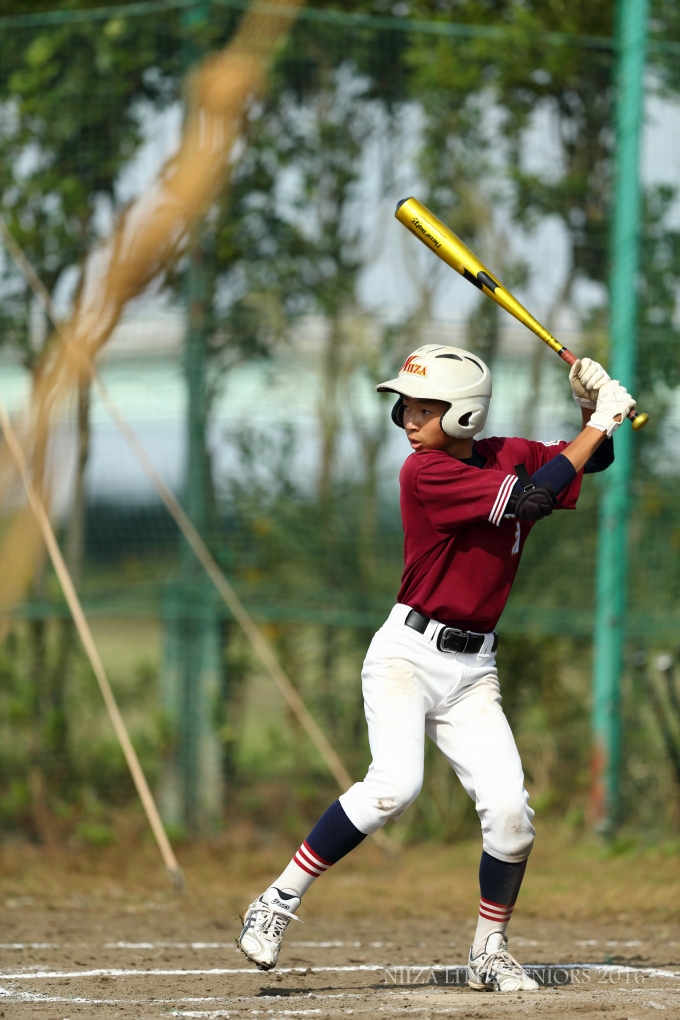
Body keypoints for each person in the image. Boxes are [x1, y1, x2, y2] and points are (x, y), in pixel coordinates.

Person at [236, 344, 635, 992]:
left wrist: (591, 412)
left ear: (465, 415)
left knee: (511, 816)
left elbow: (590, 461)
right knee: (395, 786)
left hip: (474, 670)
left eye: (425, 407)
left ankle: (488, 951)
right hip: (408, 655)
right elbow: (535, 498)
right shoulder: (424, 472)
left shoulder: (508, 453)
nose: (408, 418)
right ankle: (276, 900)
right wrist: (601, 420)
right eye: (407, 407)